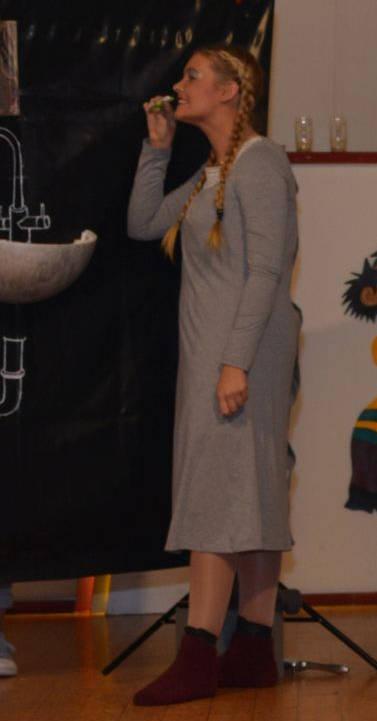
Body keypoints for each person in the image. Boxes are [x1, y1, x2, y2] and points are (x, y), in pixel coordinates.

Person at [127, 45, 300, 707]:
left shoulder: (261, 162)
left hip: (240, 355)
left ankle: (198, 655)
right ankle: (252, 648)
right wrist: (157, 149)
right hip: (219, 355)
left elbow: (267, 270)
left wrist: (235, 362)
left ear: (229, 91)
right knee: (246, 492)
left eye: (192, 77)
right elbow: (144, 224)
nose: (178, 85)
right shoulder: (213, 172)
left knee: (216, 494)